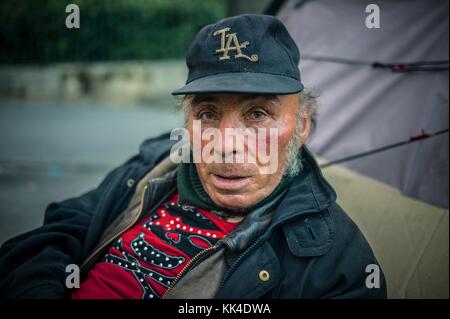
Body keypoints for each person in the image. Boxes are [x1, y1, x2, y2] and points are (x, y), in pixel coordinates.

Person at [0, 14, 386, 299]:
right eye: (207, 114)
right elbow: (53, 234)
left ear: (301, 126)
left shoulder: (336, 261)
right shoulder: (153, 164)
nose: (226, 144)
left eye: (257, 114)